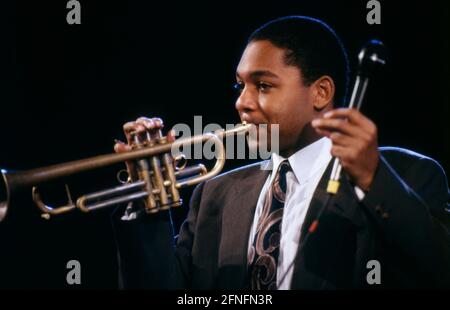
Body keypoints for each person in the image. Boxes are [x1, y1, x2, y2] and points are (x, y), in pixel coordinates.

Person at [112, 16, 450, 289]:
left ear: (320, 92)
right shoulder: (213, 195)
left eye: (263, 86)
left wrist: (374, 179)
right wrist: (145, 205)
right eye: (239, 85)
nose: (241, 103)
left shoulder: (405, 174)